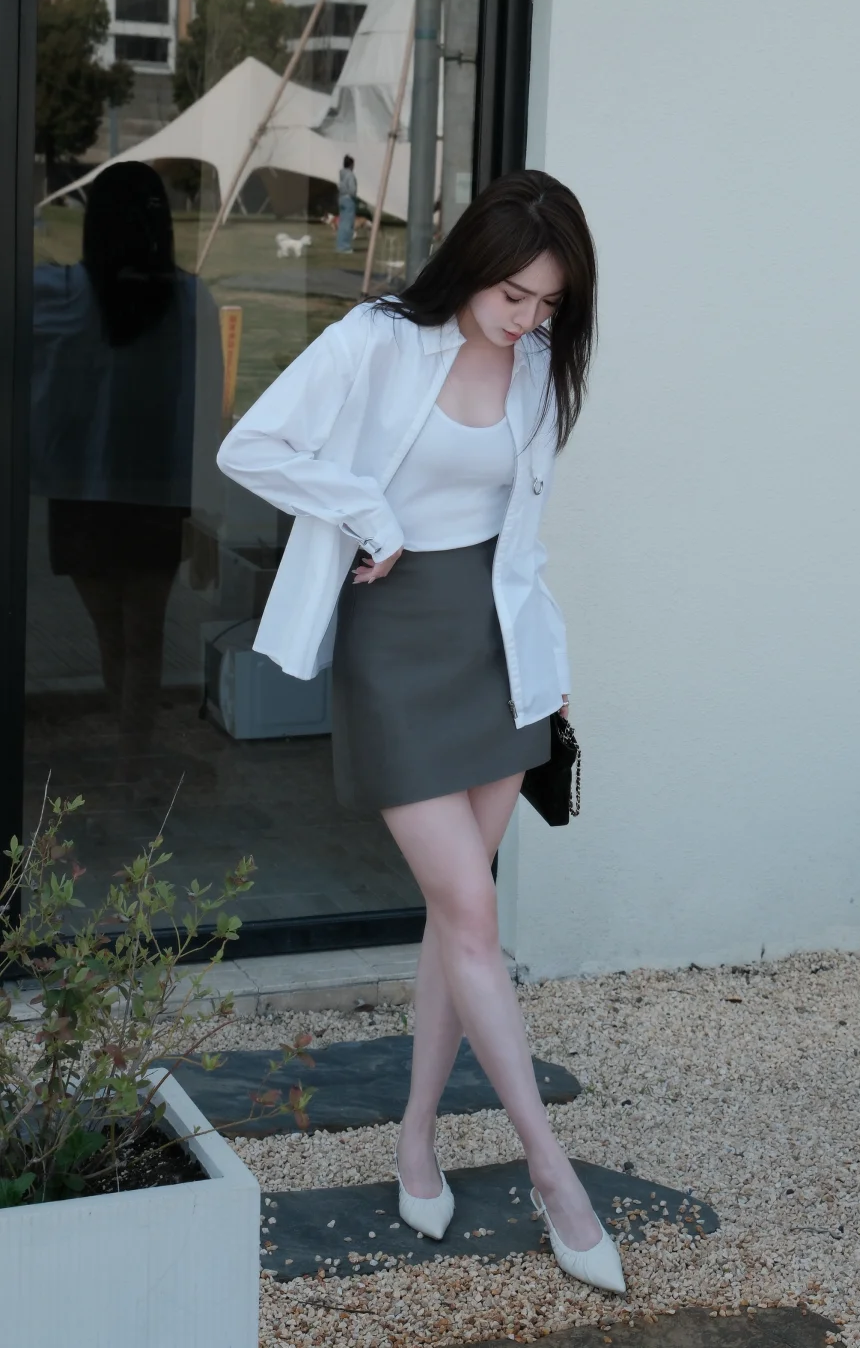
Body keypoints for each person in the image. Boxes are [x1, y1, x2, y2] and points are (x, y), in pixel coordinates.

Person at [217, 169, 625, 1295]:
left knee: (460, 917)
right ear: (471, 268)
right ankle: (554, 1176)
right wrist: (367, 512)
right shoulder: (377, 341)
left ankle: (414, 1136)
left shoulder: (538, 366)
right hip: (396, 646)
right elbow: (252, 446)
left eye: (549, 303)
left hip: (496, 650)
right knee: (475, 916)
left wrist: (549, 673)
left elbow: (523, 537)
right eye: (513, 296)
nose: (529, 320)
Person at [31, 161, 222, 787]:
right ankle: (131, 762)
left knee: (110, 637)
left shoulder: (57, 291)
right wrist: (207, 508)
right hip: (157, 498)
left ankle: (129, 757)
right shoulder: (191, 299)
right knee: (145, 640)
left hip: (80, 494)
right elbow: (208, 412)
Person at [336, 153, 358, 251]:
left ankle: (340, 245)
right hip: (349, 199)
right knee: (348, 224)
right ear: (351, 165)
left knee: (342, 223)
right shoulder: (350, 175)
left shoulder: (342, 174)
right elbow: (352, 190)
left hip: (341, 198)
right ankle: (345, 246)